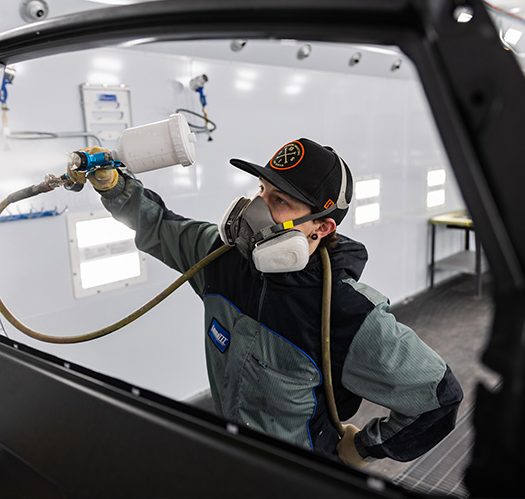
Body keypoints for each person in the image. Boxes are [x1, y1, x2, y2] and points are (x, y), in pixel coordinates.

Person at [79, 138, 463, 467]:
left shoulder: (344, 312)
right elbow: (159, 226)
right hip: (232, 454)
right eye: (261, 190)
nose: (256, 209)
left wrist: (361, 448)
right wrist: (115, 187)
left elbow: (438, 397)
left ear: (322, 226)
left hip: (300, 475)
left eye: (279, 200)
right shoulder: (221, 259)